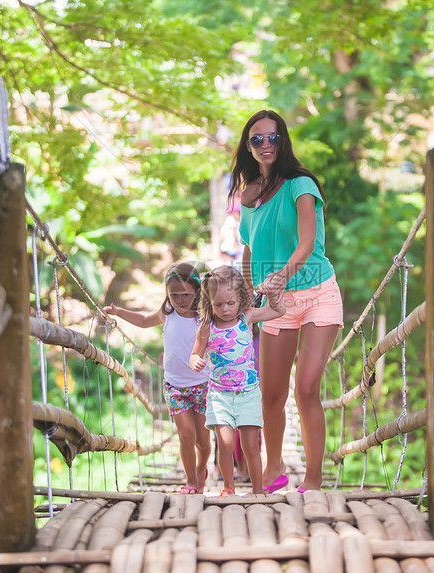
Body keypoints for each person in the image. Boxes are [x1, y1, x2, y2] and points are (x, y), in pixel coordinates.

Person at [230, 110, 344, 493]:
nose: (265, 145)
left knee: (306, 389)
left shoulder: (301, 185)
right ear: (248, 146)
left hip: (316, 295)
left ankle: (312, 480)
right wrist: (248, 301)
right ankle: (274, 466)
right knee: (271, 395)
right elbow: (248, 249)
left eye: (273, 137)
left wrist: (280, 277)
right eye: (257, 139)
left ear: (284, 141)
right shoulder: (248, 196)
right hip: (276, 306)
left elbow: (307, 242)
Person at [103, 262, 211, 494]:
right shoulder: (167, 314)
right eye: (174, 295)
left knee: (203, 441)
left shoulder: (204, 318)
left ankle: (202, 470)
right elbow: (143, 321)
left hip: (203, 385)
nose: (180, 300)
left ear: (197, 292)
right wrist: (119, 312)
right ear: (167, 294)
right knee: (186, 435)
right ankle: (191, 481)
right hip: (175, 386)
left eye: (186, 295)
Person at [189, 265, 286, 496]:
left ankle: (257, 489)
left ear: (240, 298)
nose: (224, 309)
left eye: (230, 303)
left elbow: (278, 311)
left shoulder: (248, 317)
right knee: (225, 443)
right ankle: (229, 488)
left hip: (248, 394)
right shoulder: (206, 327)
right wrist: (195, 362)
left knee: (251, 446)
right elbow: (195, 354)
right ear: (209, 302)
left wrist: (273, 297)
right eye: (218, 304)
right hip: (219, 395)